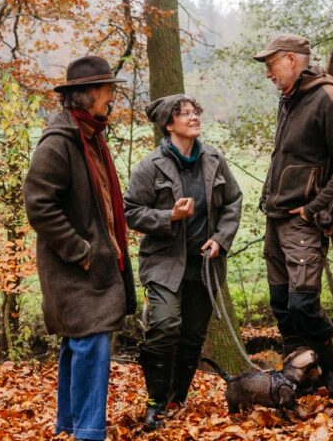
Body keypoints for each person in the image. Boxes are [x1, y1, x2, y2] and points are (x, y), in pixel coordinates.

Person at [23, 55, 136, 441]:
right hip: (73, 267)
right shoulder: (59, 144)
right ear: (87, 96)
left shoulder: (91, 137)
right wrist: (81, 250)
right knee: (92, 344)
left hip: (93, 265)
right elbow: (39, 205)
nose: (112, 99)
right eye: (108, 91)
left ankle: (71, 427)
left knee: (80, 344)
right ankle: (89, 433)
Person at [124, 94, 242, 430]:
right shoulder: (150, 166)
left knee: (192, 336)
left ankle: (177, 397)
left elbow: (233, 201)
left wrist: (220, 239)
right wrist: (169, 216)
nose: (193, 118)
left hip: (204, 266)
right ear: (169, 124)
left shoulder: (214, 159)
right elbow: (130, 211)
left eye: (194, 112)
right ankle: (155, 401)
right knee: (164, 327)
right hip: (164, 263)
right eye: (184, 114)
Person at [254, 34, 333, 397]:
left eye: (271, 64)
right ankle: (298, 372)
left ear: (291, 59)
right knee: (281, 304)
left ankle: (330, 370)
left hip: (303, 220)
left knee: (303, 304)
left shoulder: (330, 100)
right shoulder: (289, 99)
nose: (268, 73)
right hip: (275, 215)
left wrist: (314, 208)